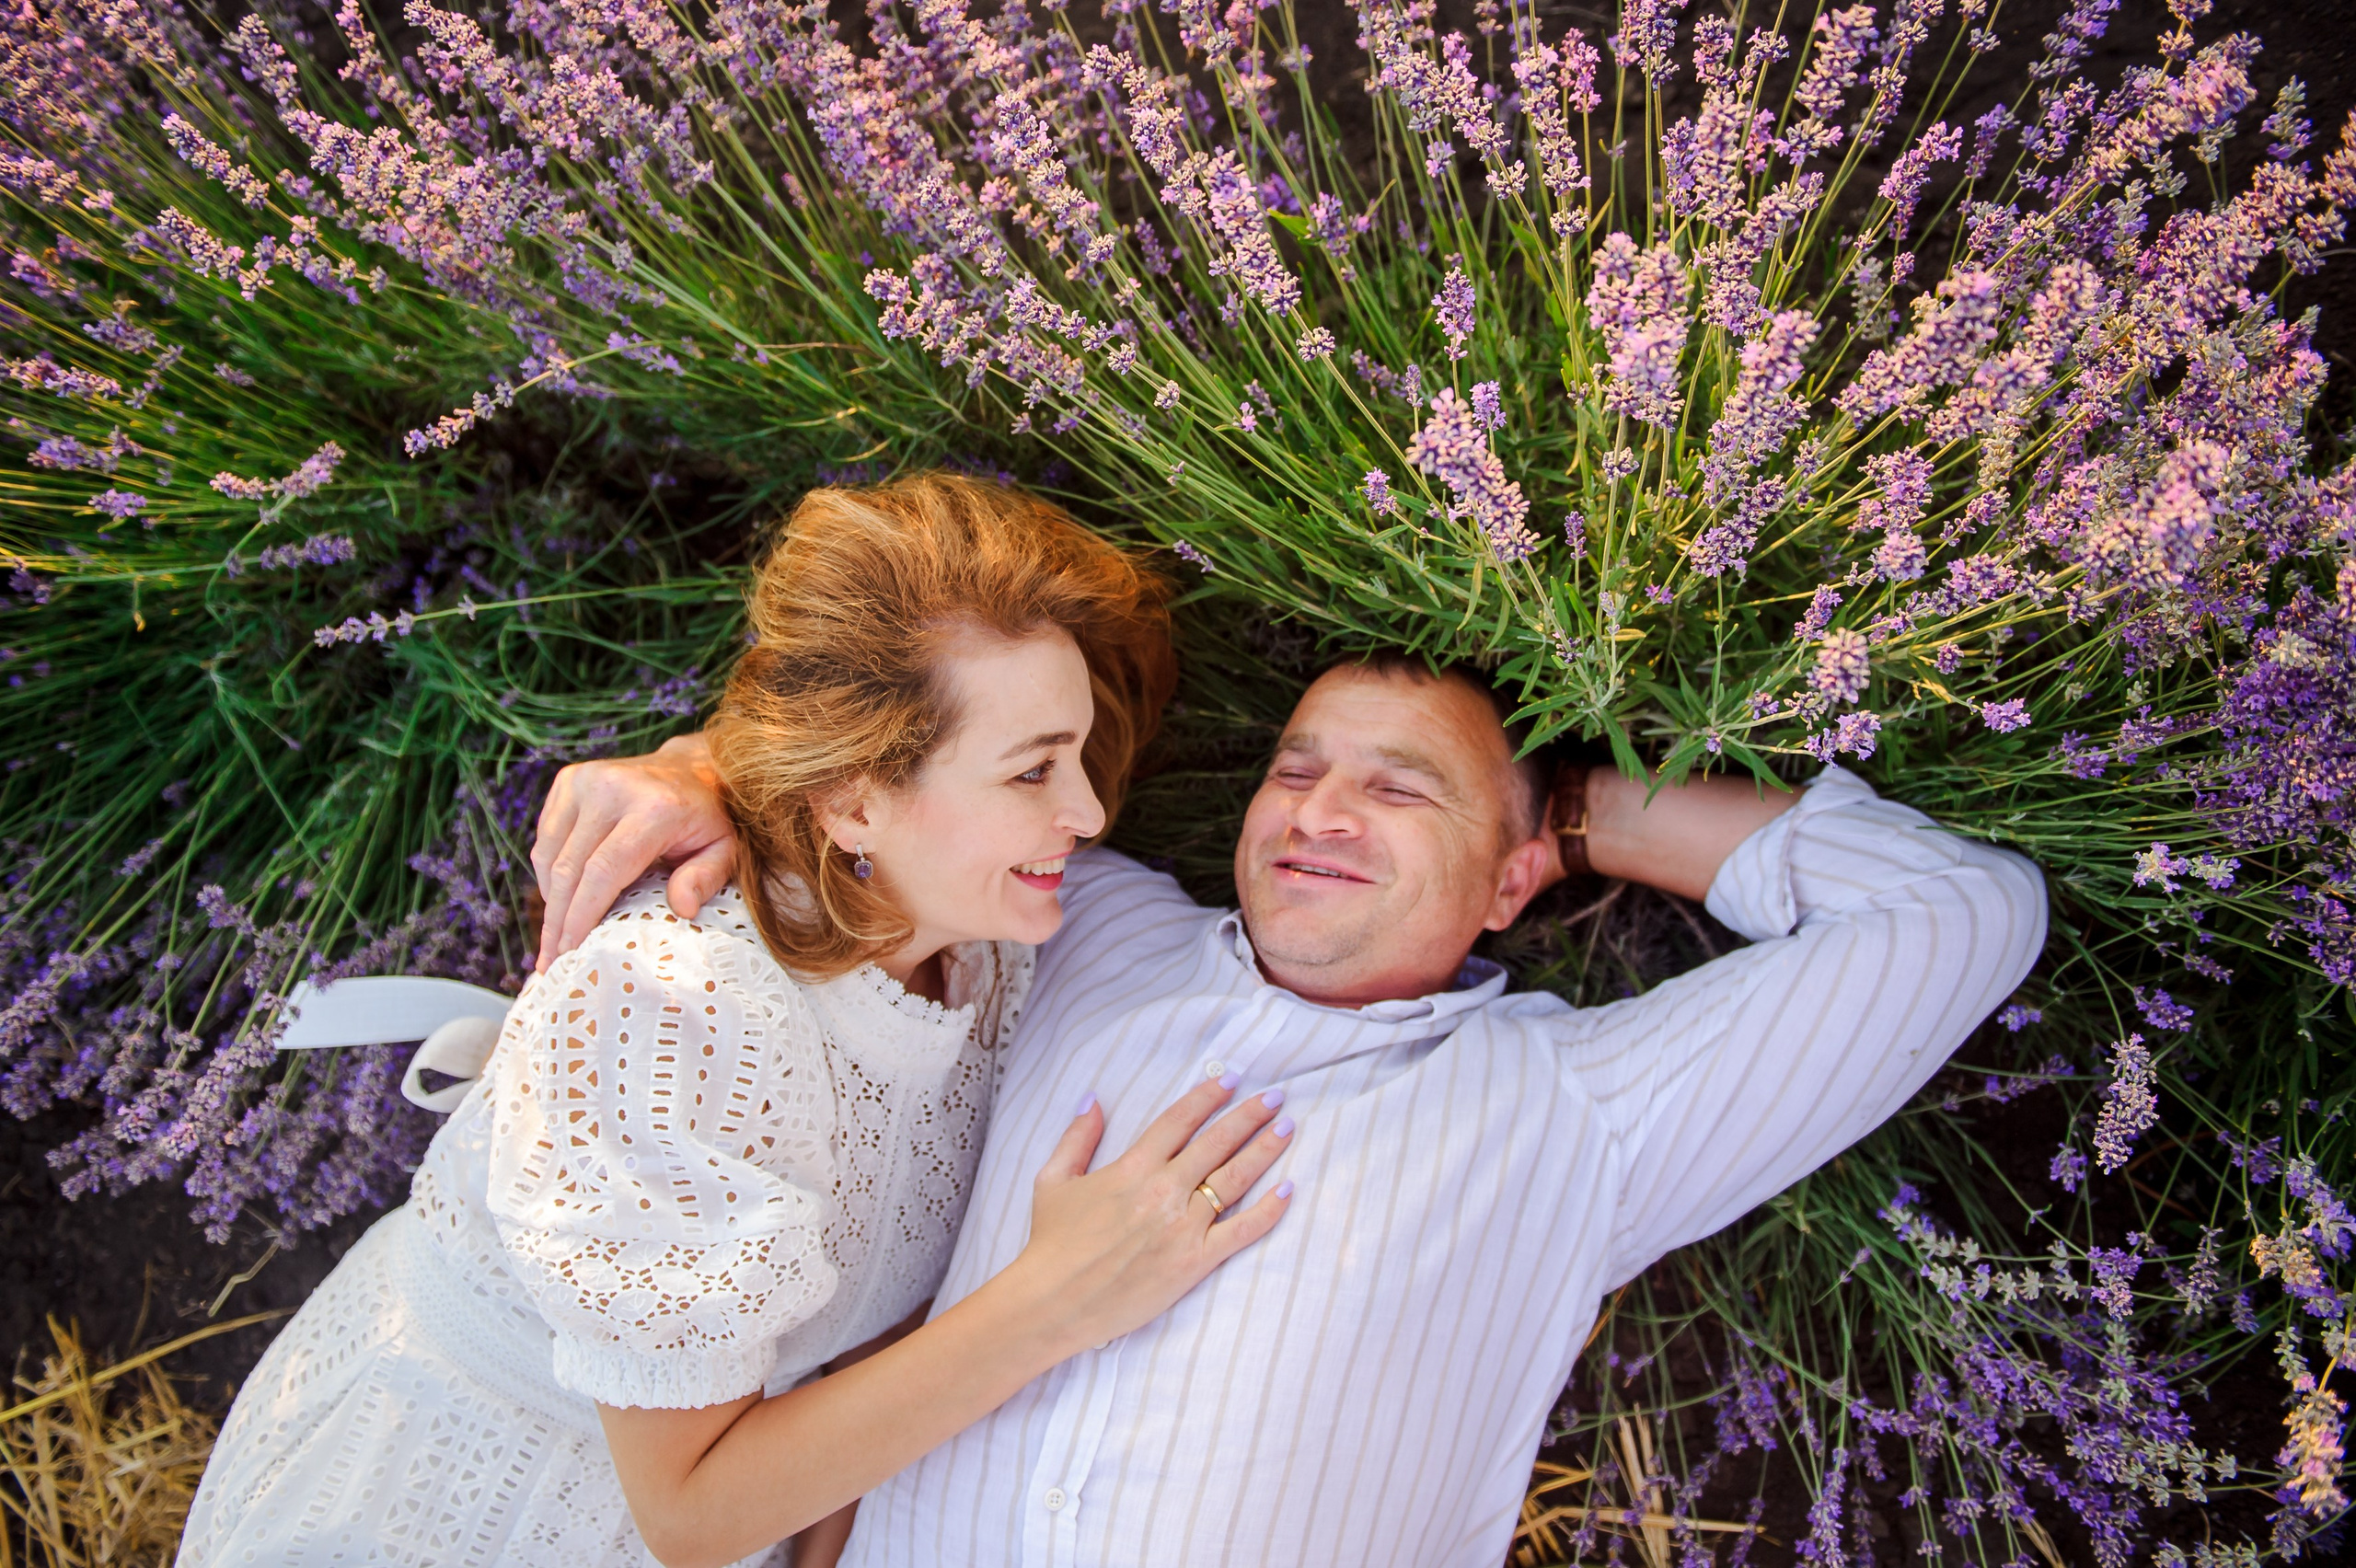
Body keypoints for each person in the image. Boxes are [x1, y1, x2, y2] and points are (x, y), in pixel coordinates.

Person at [540, 645, 2048, 1568]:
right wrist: (711, 775)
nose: (1321, 810)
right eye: (1299, 766)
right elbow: (909, 781)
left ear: (1514, 878)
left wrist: (1575, 807)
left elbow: (1957, 911)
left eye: (1403, 791)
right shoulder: (1101, 935)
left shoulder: (1578, 1109)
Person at [178, 475, 1300, 1568]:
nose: (1089, 812)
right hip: (458, 1510)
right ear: (856, 798)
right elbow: (689, 1512)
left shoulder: (982, 937)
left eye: (1076, 750)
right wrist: (1059, 1298)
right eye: (1030, 772)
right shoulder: (674, 1008)